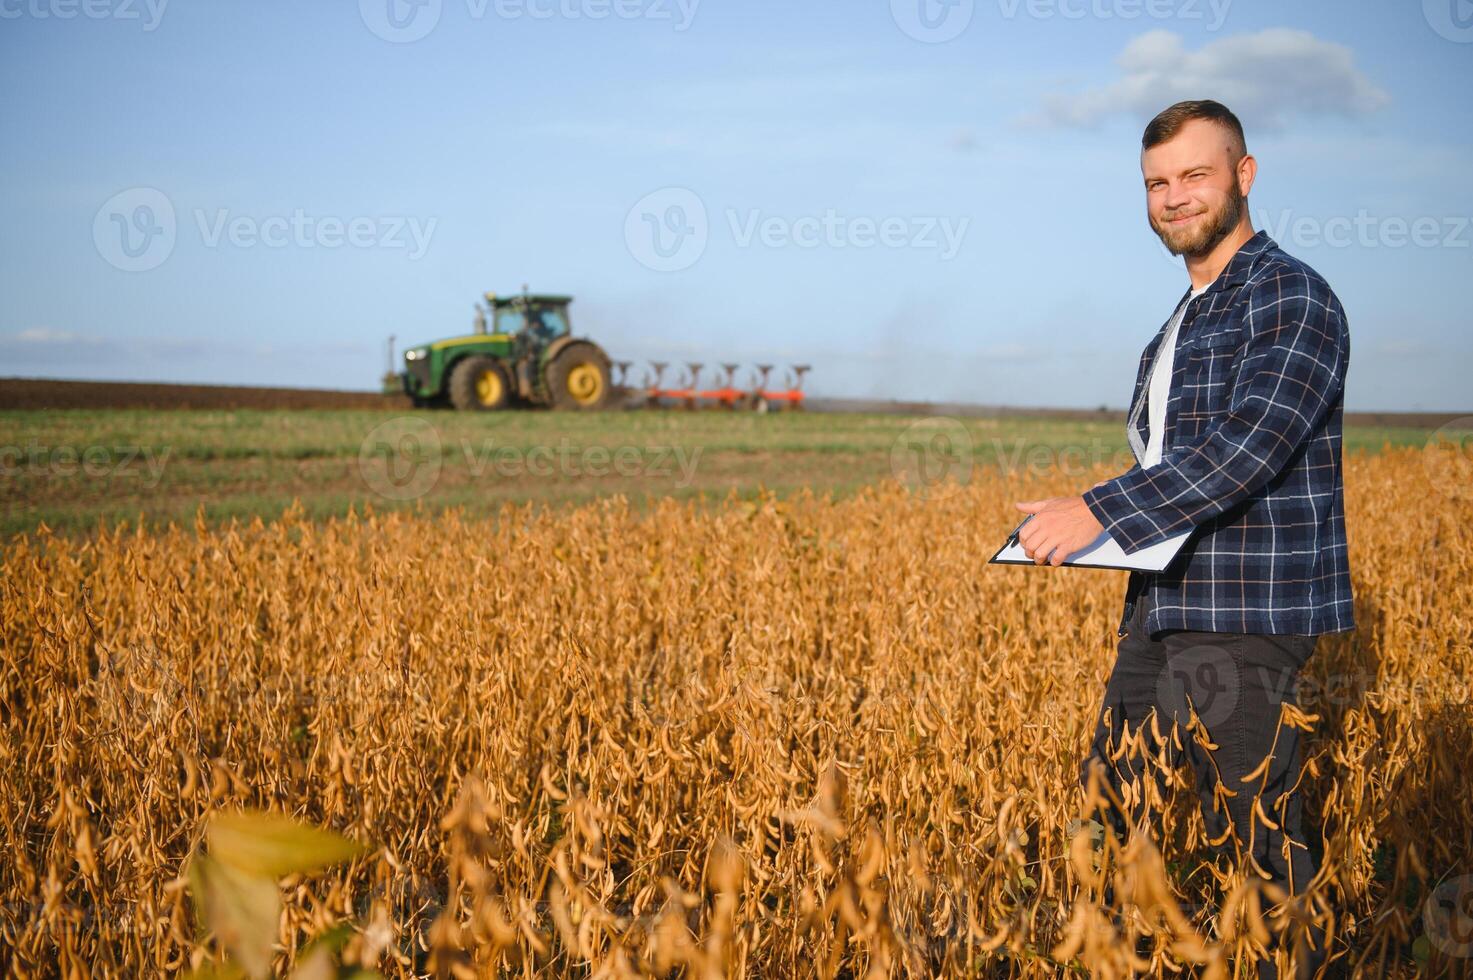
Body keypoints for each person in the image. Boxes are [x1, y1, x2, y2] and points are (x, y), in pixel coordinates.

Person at [1011, 100, 1352, 978]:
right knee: (1108, 819)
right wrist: (1088, 519)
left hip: (1242, 618)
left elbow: (1247, 448)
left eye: (1194, 174)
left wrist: (1100, 512)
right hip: (1158, 611)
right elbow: (1173, 460)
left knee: (1259, 843)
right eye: (1156, 183)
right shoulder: (1182, 318)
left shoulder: (1290, 296)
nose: (1173, 196)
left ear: (1243, 175)